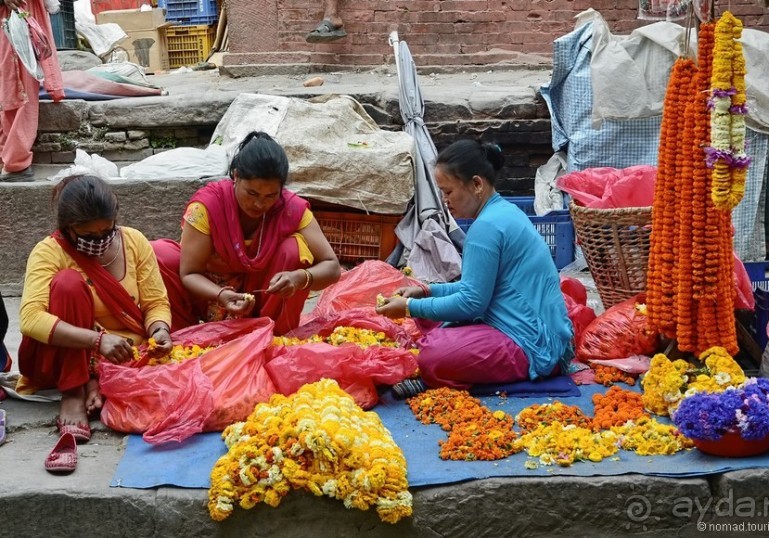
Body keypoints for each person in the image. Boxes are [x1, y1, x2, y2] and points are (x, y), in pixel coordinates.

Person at [376, 139, 574, 398]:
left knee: (432, 356)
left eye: (448, 192)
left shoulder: (486, 228)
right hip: (540, 334)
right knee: (430, 317)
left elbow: (472, 303)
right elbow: (476, 286)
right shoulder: (504, 211)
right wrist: (426, 292)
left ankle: (451, 374)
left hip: (533, 345)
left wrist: (408, 307)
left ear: (477, 184)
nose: (445, 201)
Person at [17, 175, 173, 443]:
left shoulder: (133, 241)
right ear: (68, 228)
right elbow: (30, 319)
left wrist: (159, 329)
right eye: (89, 236)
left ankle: (95, 380)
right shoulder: (48, 252)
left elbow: (155, 302)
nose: (100, 240)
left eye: (107, 231)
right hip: (66, 354)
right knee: (68, 283)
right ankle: (73, 391)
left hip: (123, 352)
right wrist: (97, 341)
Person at [153, 131, 341, 335]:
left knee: (293, 250)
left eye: (271, 196)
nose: (259, 204)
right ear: (236, 176)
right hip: (207, 294)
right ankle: (184, 337)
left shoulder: (290, 209)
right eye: (252, 193)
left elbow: (332, 266)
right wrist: (221, 294)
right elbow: (189, 273)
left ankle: (274, 336)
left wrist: (300, 278)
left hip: (263, 297)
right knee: (159, 254)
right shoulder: (208, 207)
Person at [0, 0, 64, 181]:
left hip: (16, 13)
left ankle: (13, 160)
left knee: (16, 86)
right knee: (15, 87)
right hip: (14, 13)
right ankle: (13, 161)